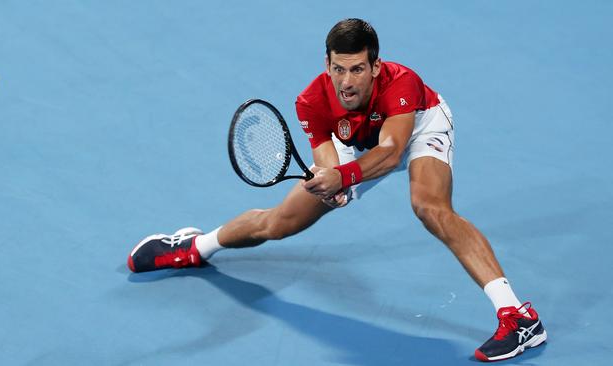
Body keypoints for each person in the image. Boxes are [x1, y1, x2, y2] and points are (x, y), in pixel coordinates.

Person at [126, 18, 547, 362]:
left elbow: (391, 151)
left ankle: (519, 317)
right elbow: (329, 160)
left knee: (430, 206)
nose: (347, 81)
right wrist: (333, 186)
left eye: (357, 69)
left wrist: (344, 178)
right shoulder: (311, 101)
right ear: (327, 64)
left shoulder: (403, 84)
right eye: (338, 68)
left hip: (416, 128)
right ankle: (195, 246)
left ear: (376, 67)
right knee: (279, 223)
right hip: (359, 146)